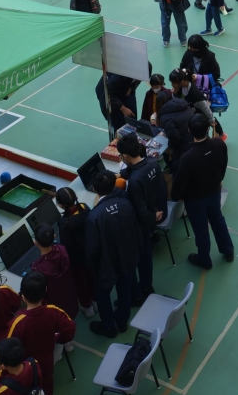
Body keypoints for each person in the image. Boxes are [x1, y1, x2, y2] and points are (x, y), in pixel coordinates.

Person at [8, 271, 75, 395]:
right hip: (46, 368)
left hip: (25, 371)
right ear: (45, 291)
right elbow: (70, 329)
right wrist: (58, 338)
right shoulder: (53, 311)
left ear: (22, 296)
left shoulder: (18, 322)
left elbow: (10, 350)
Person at [171, 114, 233, 270]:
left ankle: (204, 259)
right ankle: (228, 250)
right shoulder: (219, 144)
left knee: (201, 230)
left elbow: (180, 181)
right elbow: (223, 163)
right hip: (213, 191)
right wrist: (219, 179)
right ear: (207, 129)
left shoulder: (188, 157)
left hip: (195, 199)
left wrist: (176, 196)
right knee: (218, 220)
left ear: (189, 131)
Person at [86, 171, 142, 338]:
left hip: (107, 264)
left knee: (102, 294)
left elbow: (93, 248)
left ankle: (108, 326)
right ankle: (122, 322)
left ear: (94, 189)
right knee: (125, 288)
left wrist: (92, 268)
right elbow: (135, 228)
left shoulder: (94, 216)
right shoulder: (126, 203)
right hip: (128, 256)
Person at [117, 134, 168, 303]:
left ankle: (140, 292)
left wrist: (152, 217)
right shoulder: (153, 164)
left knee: (139, 256)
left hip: (141, 225)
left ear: (125, 156)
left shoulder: (135, 182)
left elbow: (140, 211)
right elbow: (160, 189)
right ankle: (146, 286)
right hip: (156, 212)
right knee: (146, 255)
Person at [55, 188, 94, 317]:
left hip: (76, 259)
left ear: (62, 205)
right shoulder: (84, 208)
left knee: (81, 283)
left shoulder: (64, 223)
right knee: (92, 277)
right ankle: (96, 301)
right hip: (91, 252)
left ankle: (87, 307)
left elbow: (65, 245)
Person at [31, 224, 79, 322]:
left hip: (55, 306)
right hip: (70, 297)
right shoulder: (63, 250)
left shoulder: (38, 268)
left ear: (36, 243)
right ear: (54, 236)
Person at [158, 83, 195, 173]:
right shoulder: (183, 105)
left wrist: (170, 149)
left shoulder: (166, 117)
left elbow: (175, 139)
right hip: (194, 140)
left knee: (178, 169)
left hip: (183, 148)